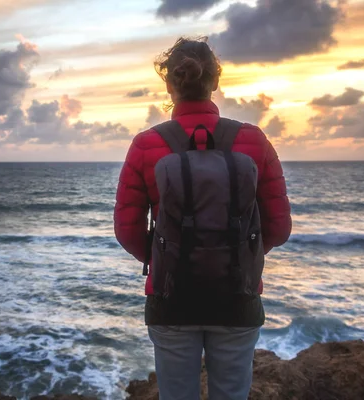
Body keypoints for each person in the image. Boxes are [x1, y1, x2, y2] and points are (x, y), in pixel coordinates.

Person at [113, 37, 292, 400]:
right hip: (237, 295)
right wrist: (236, 255)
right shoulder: (253, 140)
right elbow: (279, 227)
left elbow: (127, 231)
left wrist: (168, 256)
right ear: (216, 81)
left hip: (171, 297)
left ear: (169, 83)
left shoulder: (146, 145)